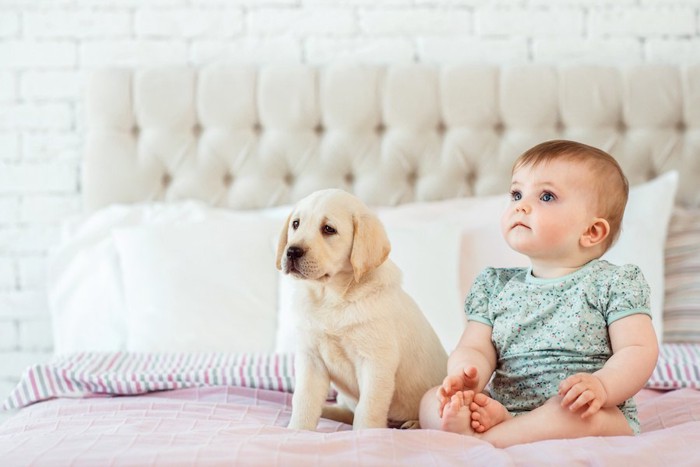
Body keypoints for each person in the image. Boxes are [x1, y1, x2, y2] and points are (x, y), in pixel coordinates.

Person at [418, 140, 659, 448]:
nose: (521, 205)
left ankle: (487, 439)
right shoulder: (495, 286)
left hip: (579, 406)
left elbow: (637, 350)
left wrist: (602, 386)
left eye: (546, 196)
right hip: (504, 404)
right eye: (516, 194)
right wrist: (467, 376)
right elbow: (475, 346)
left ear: (592, 232)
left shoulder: (614, 283)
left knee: (575, 415)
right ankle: (498, 425)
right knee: (430, 399)